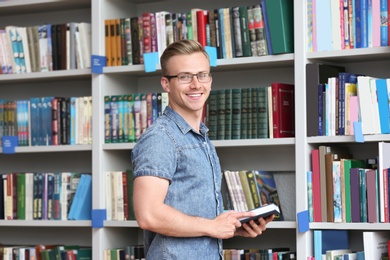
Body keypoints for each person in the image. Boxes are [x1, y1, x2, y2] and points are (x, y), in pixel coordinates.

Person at [131, 39, 274, 259]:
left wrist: (230, 226)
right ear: (166, 84)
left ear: (210, 80)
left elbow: (194, 214)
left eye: (202, 75)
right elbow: (148, 215)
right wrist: (211, 227)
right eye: (185, 77)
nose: (196, 84)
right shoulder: (160, 138)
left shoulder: (201, 139)